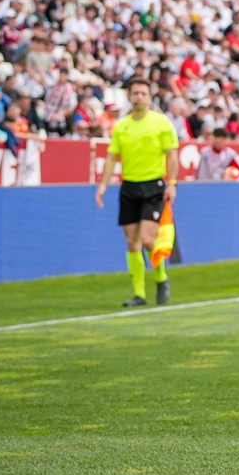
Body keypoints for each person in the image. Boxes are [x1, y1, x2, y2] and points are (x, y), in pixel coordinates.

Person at [95, 77, 179, 307]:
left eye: (143, 93)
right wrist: (103, 185)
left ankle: (161, 277)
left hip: (153, 186)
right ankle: (139, 294)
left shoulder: (161, 123)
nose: (139, 97)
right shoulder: (121, 126)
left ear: (150, 97)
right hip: (129, 187)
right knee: (132, 243)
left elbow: (172, 155)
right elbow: (112, 157)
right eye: (135, 93)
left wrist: (172, 183)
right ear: (129, 96)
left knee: (149, 240)